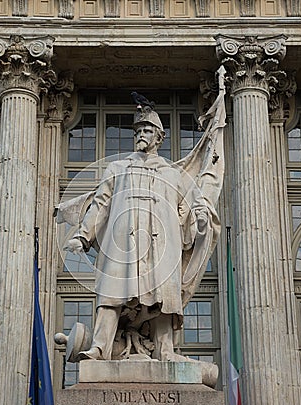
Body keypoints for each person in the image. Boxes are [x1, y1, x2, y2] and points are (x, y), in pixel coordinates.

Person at [61, 92, 225, 374]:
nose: (141, 135)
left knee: (164, 298)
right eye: (138, 130)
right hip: (122, 242)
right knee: (111, 295)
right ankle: (100, 347)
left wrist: (199, 221)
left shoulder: (173, 175)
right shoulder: (117, 168)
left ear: (159, 138)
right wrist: (83, 235)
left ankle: (166, 350)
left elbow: (189, 208)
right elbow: (101, 204)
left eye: (147, 130)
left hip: (162, 245)